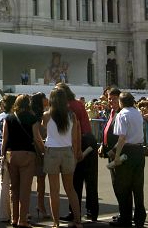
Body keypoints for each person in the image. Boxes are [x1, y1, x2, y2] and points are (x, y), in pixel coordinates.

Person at [56, 83, 98, 223]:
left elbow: (75, 131)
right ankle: (92, 212)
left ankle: (74, 212)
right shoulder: (78, 104)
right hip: (90, 139)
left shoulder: (68, 108)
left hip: (81, 141)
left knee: (76, 180)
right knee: (91, 179)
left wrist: (76, 150)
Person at [1, 94, 43, 228]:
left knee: (14, 188)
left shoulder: (8, 118)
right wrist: (44, 150)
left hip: (11, 155)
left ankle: (14, 218)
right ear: (28, 104)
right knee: (25, 189)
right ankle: (23, 220)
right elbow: (37, 138)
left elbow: (4, 139)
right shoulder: (33, 118)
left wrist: (2, 155)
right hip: (27, 154)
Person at [42, 88, 82, 228]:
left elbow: (43, 129)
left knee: (54, 190)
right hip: (67, 152)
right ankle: (78, 220)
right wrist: (76, 154)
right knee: (70, 189)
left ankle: (56, 223)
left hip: (52, 151)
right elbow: (75, 138)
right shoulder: (72, 116)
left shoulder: (47, 115)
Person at [110, 92, 146, 228]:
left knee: (124, 186)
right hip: (138, 150)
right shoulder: (137, 113)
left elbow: (122, 137)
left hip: (127, 150)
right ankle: (140, 217)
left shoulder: (122, 114)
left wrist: (117, 155)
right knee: (138, 186)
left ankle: (125, 218)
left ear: (121, 102)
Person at [0, 94, 16, 225]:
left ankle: (4, 214)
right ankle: (12, 213)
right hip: (10, 151)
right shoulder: (13, 118)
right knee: (12, 185)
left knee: (3, 184)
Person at [100, 87, 122, 224]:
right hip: (110, 151)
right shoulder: (111, 112)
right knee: (116, 183)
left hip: (118, 152)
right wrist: (103, 144)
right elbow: (107, 129)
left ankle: (125, 213)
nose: (111, 100)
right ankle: (123, 211)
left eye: (114, 98)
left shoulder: (121, 113)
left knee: (121, 184)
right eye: (109, 98)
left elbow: (121, 136)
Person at [30, 92, 49, 220]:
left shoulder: (42, 114)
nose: (47, 99)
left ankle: (40, 205)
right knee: (34, 178)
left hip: (38, 148)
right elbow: (36, 135)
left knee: (40, 179)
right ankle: (39, 206)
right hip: (36, 150)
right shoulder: (36, 116)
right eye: (44, 98)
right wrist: (44, 151)